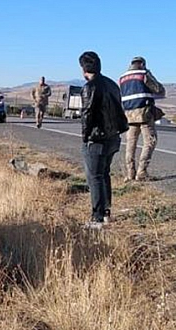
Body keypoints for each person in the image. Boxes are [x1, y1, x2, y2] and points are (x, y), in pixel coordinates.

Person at [79, 51, 129, 229]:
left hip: (97, 139)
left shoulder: (90, 87)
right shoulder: (111, 85)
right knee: (104, 174)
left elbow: (87, 114)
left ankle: (97, 217)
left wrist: (85, 137)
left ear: (84, 68)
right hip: (113, 137)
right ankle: (106, 213)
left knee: (95, 177)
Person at [119, 56, 165, 181]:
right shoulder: (143, 74)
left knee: (130, 143)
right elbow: (159, 89)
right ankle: (142, 171)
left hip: (128, 114)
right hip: (144, 112)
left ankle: (130, 173)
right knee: (150, 141)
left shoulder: (122, 78)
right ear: (142, 64)